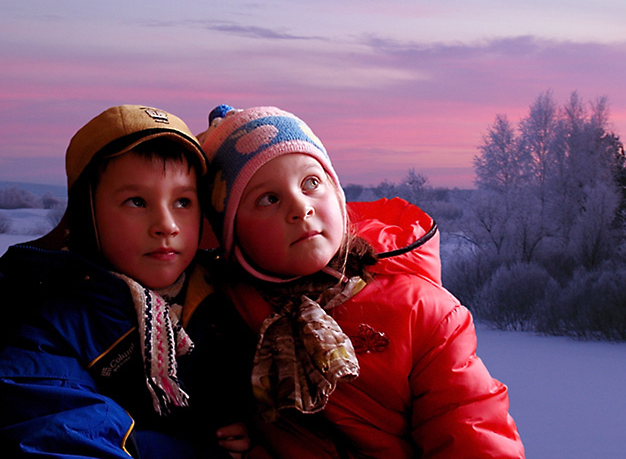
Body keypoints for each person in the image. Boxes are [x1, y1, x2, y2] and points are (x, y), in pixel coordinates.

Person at [198, 105, 526, 458]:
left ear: (337, 197)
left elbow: (471, 435)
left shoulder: (422, 313)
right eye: (268, 199)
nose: (300, 207)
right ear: (232, 236)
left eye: (311, 183)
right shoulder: (217, 307)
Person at [0, 105, 251, 458]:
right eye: (136, 201)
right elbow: (59, 434)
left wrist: (251, 427)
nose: (166, 224)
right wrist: (196, 449)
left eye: (183, 201)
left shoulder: (228, 298)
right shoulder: (47, 323)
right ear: (86, 215)